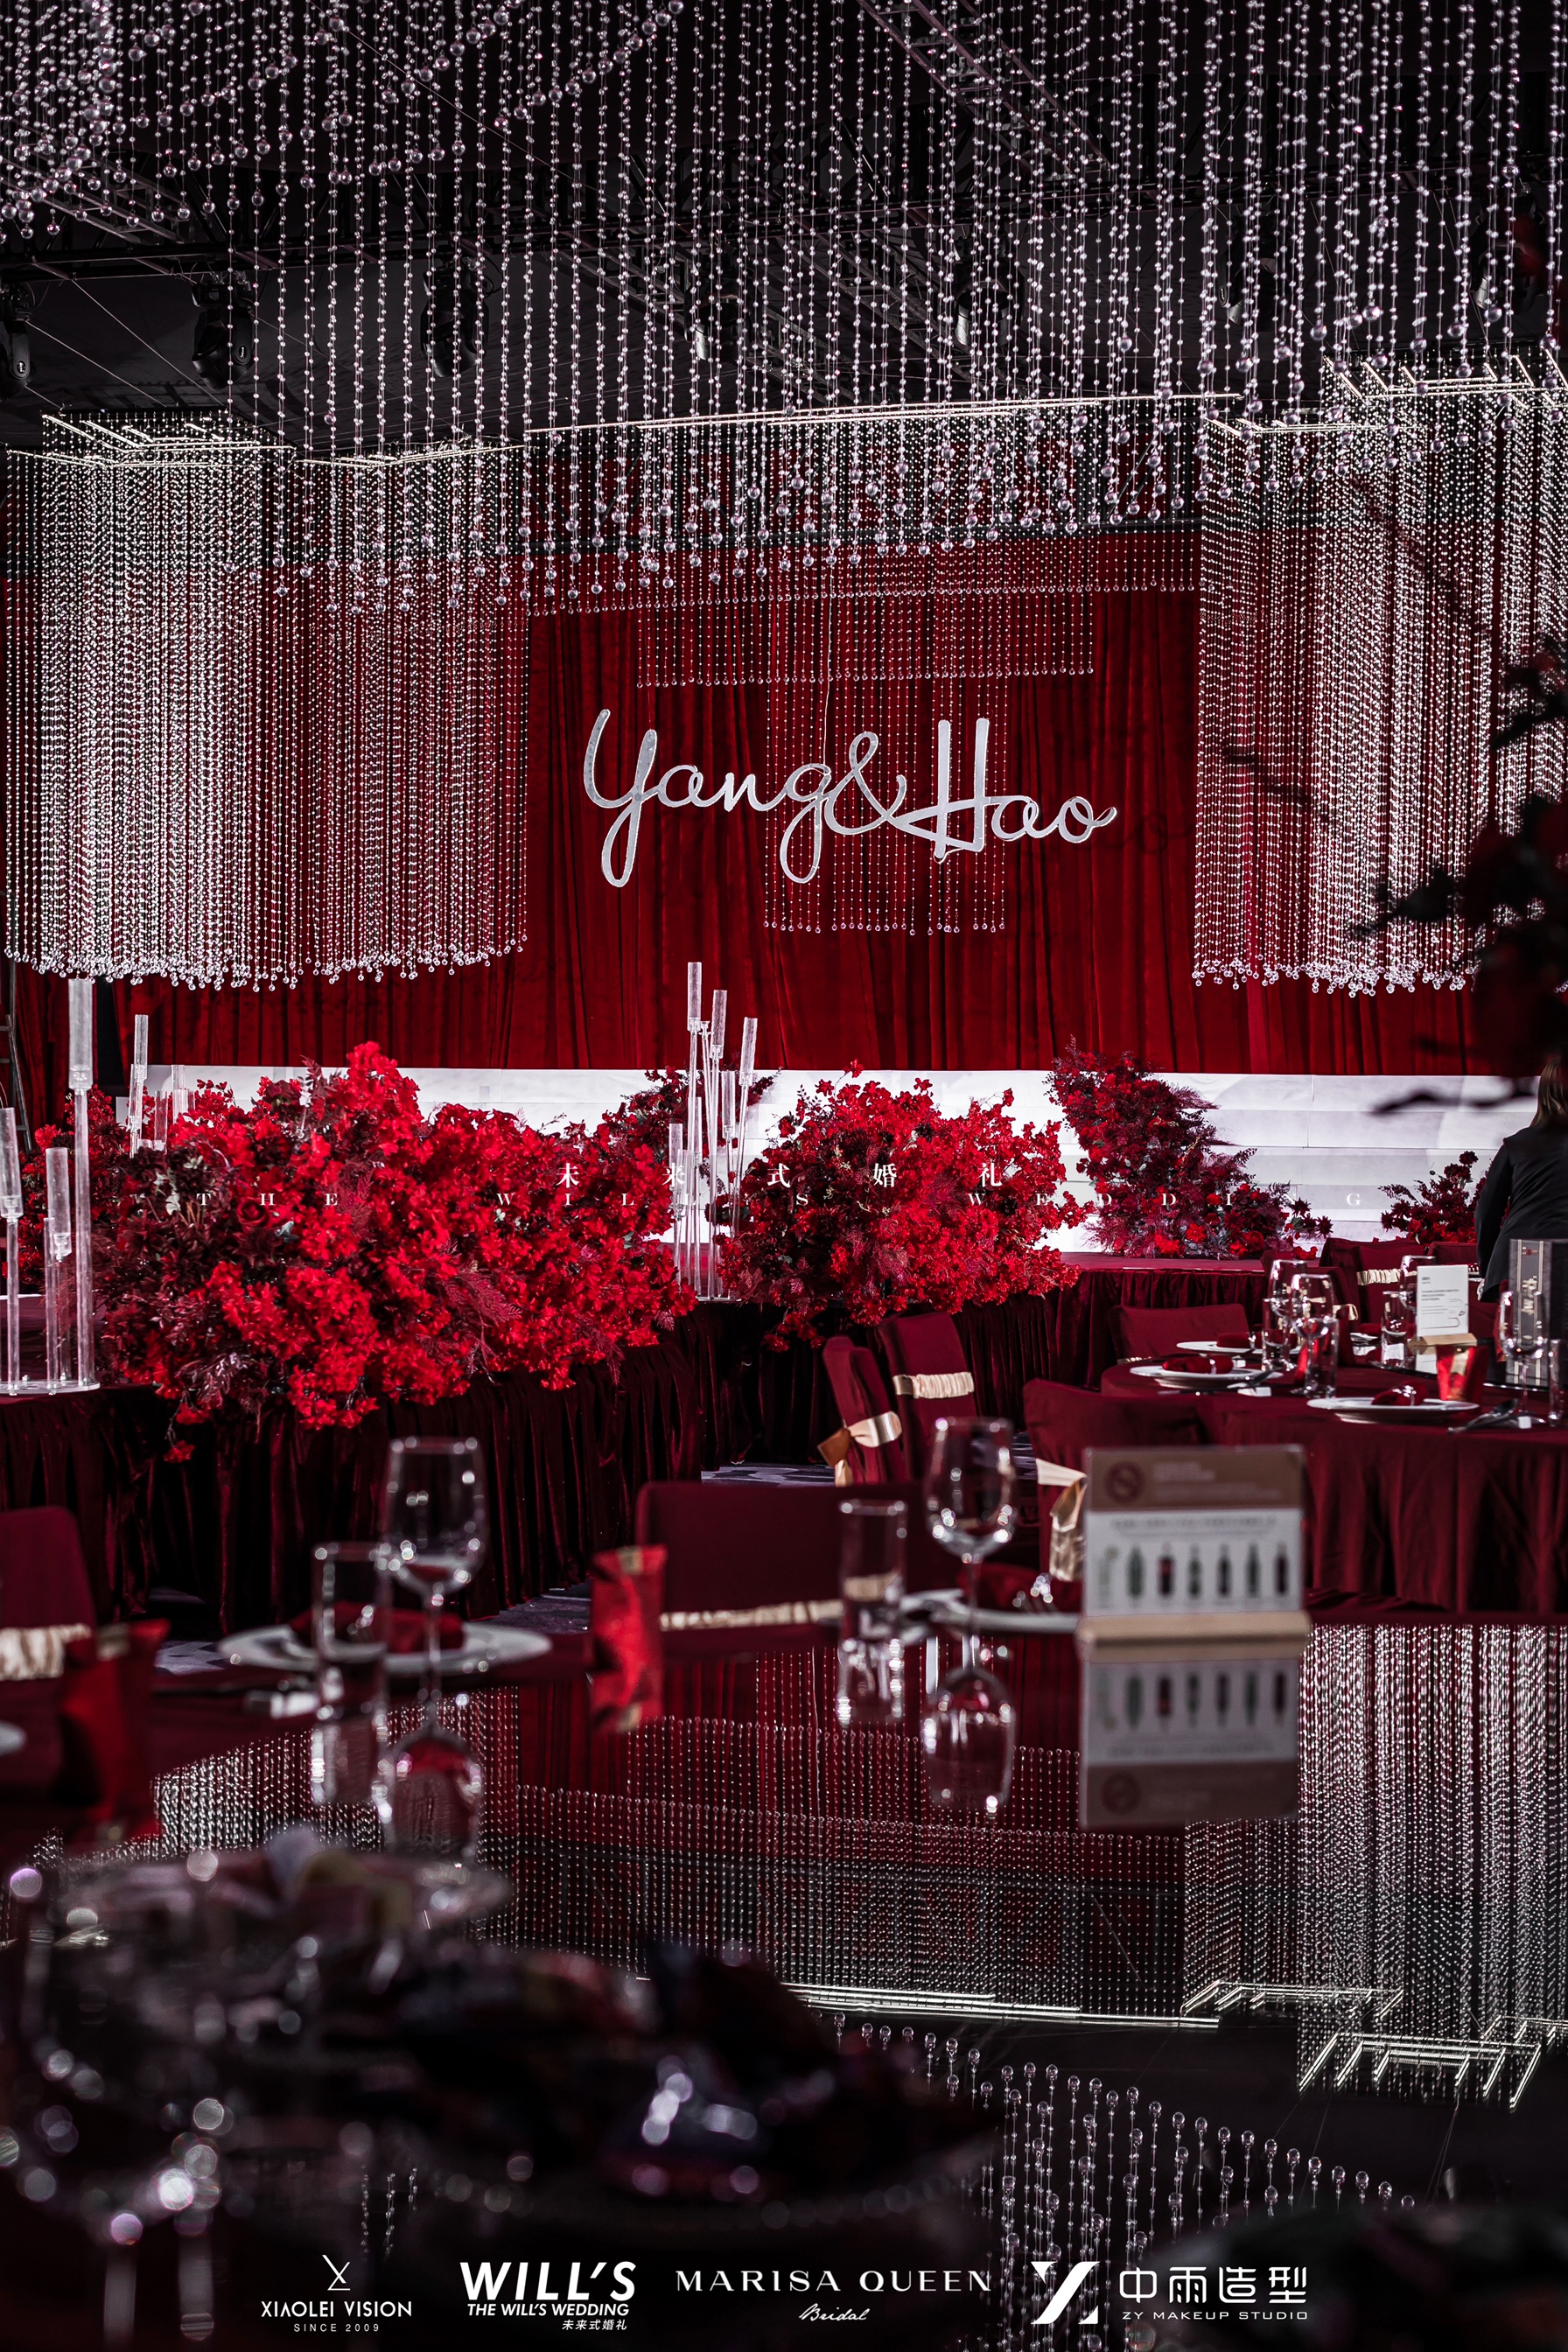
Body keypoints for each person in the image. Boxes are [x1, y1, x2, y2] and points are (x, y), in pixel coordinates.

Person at [1475, 1055, 1568, 1298]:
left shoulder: (1516, 1145)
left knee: (1524, 1322)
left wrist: (1488, 1270)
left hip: (1518, 1262)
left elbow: (1486, 1213)